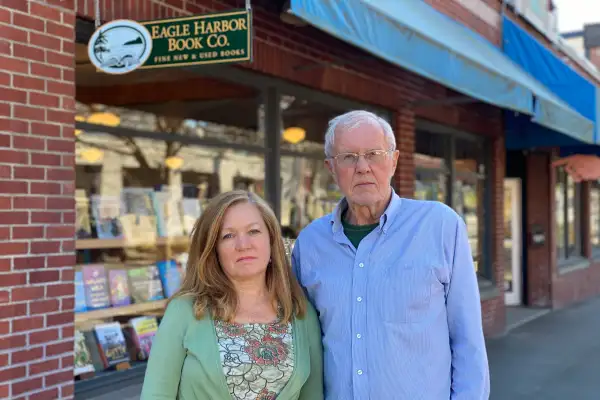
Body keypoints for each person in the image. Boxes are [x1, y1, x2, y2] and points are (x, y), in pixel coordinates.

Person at [291, 110, 490, 399]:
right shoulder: (310, 243)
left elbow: (467, 340)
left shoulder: (440, 226)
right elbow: (304, 343)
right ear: (331, 168)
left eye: (373, 154)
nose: (362, 167)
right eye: (348, 157)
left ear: (394, 161)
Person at [141, 190, 323, 400]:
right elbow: (156, 395)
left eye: (254, 231)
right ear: (213, 250)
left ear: (272, 242)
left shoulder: (299, 312)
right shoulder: (186, 311)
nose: (243, 245)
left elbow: (313, 395)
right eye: (228, 236)